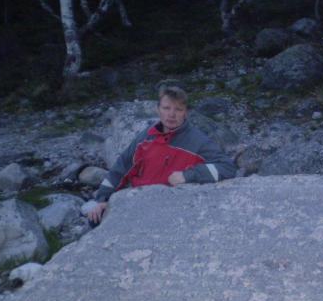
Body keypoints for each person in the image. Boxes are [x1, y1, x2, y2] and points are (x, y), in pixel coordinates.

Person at [87, 85, 236, 224]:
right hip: (137, 204)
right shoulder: (145, 137)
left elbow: (227, 167)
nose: (171, 114)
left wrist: (188, 176)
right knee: (94, 220)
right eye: (166, 108)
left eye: (178, 109)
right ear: (158, 110)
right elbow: (120, 168)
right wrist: (102, 199)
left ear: (186, 113)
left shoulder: (198, 142)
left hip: (172, 211)